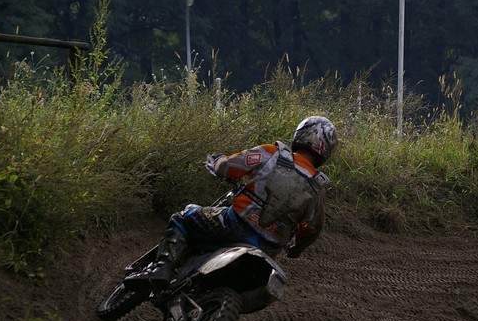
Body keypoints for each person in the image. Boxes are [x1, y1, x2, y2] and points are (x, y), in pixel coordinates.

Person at [124, 116, 339, 292]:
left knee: (184, 217)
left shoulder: (273, 153)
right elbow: (313, 228)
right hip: (269, 249)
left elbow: (229, 166)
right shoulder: (317, 188)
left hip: (235, 224)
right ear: (326, 150)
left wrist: (218, 162)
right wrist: (296, 249)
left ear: (301, 134)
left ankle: (162, 268)